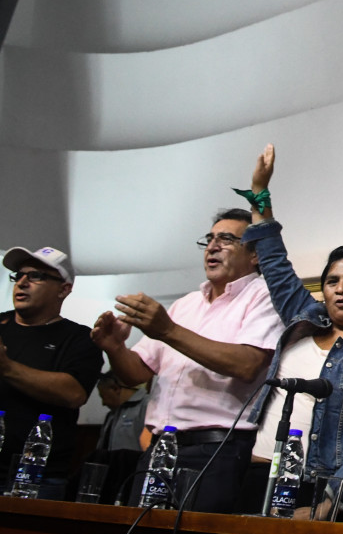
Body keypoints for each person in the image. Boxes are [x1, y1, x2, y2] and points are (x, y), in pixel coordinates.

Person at [237, 144, 343, 521]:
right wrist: (259, 191)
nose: (341, 288)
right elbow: (275, 263)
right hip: (257, 471)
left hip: (318, 487)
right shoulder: (306, 317)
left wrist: (329, 502)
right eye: (332, 281)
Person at [91, 209, 285, 512]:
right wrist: (114, 347)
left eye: (227, 239)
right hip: (158, 448)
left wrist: (167, 330)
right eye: (209, 239)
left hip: (215, 451)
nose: (212, 246)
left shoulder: (264, 297)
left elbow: (247, 364)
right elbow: (135, 373)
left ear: (255, 255)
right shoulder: (185, 304)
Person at [0, 247, 102, 499]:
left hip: (35, 476)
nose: (22, 282)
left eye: (35, 276)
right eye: (18, 275)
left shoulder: (80, 339)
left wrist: (7, 367)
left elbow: (74, 393)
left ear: (63, 289)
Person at [90, 373, 150, 505]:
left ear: (115, 388)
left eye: (103, 396)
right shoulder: (111, 415)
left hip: (133, 478)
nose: (103, 402)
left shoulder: (147, 405)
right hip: (108, 480)